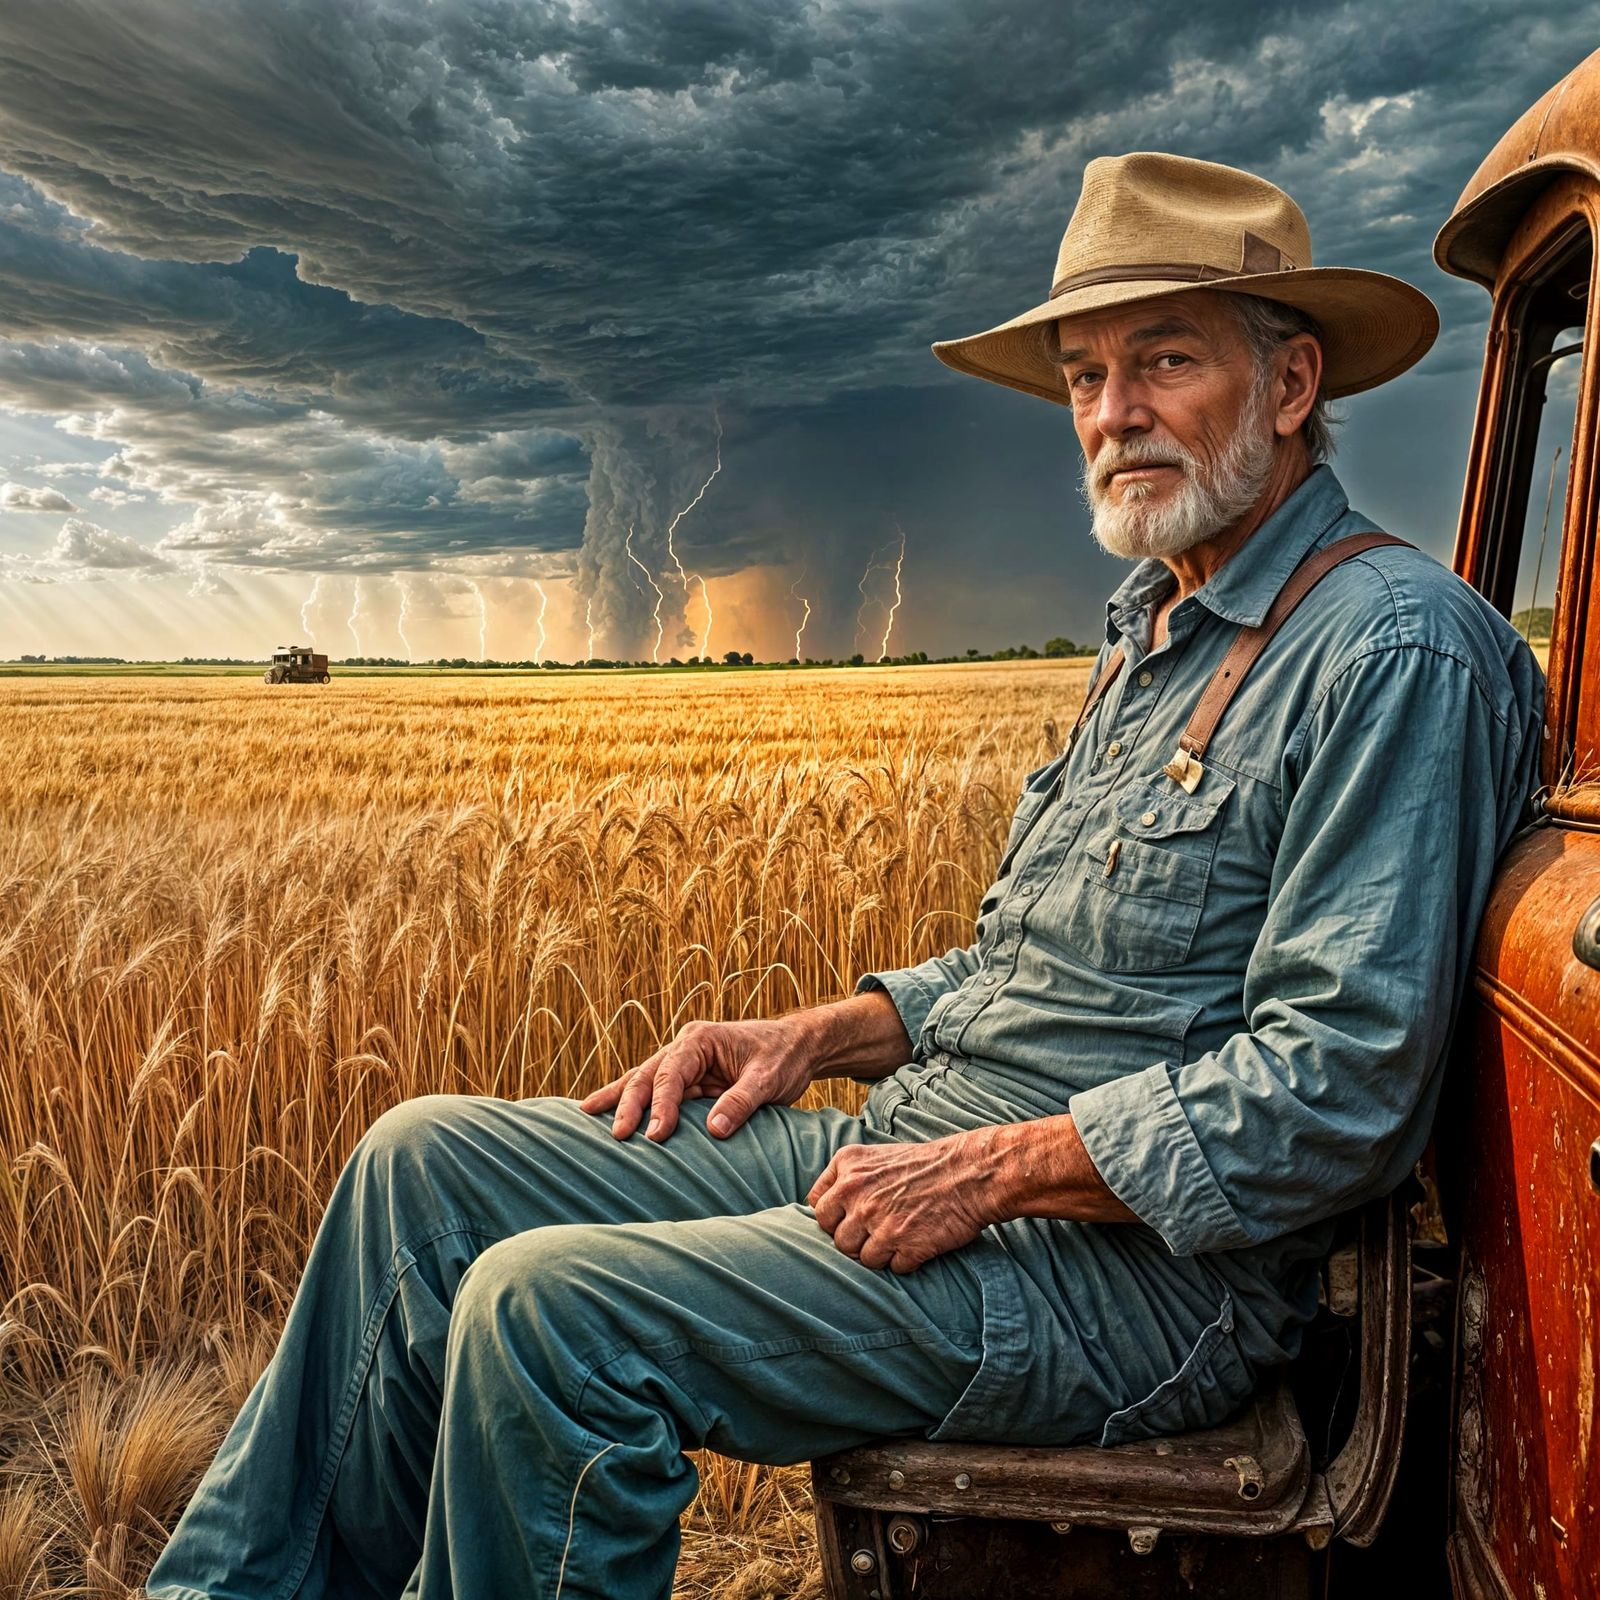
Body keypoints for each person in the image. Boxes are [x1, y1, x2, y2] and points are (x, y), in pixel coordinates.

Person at [146, 152, 1545, 1600]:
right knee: (417, 1166)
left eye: (1165, 361)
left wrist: (991, 1171)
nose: (1112, 417)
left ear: (1294, 383)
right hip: (931, 1147)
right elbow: (1045, 969)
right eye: (1082, 378)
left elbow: (1342, 1086)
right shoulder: (1159, 628)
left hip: (1137, 1286)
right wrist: (816, 1035)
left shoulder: (1391, 650)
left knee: (546, 1315)